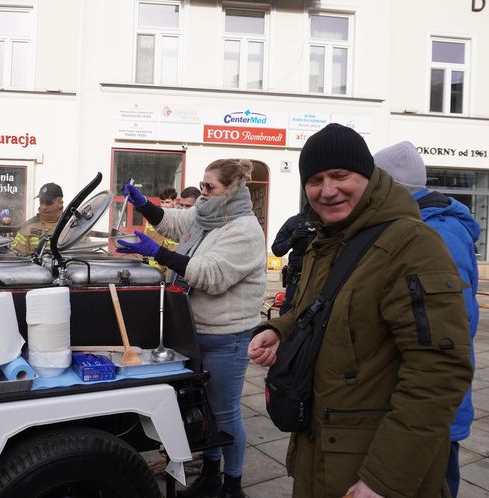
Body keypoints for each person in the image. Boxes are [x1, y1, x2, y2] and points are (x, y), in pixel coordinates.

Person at [248, 123, 473, 498]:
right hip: (322, 448)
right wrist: (281, 330)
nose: (328, 189)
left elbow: (438, 371)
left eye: (340, 175)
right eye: (315, 179)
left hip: (373, 463)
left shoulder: (412, 245)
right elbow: (317, 310)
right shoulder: (329, 239)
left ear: (367, 177)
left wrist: (385, 479)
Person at [117, 159, 266, 498]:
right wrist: (144, 204)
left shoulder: (244, 230)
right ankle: (211, 475)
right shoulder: (207, 213)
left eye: (209, 187)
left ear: (230, 191)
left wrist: (159, 254)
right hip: (194, 329)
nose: (203, 193)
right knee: (205, 412)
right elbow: (175, 221)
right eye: (202, 185)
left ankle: (233, 485)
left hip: (227, 336)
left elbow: (210, 276)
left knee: (226, 413)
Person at [374, 140, 480, 498]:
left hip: (430, 412)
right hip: (413, 401)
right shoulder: (412, 225)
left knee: (431, 484)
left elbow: (447, 337)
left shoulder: (434, 235)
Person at [270, 205, 315, 314]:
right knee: (287, 313)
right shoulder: (294, 222)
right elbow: (277, 250)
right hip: (296, 280)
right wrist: (292, 239)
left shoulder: (328, 221)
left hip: (318, 278)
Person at [10, 182, 63, 255]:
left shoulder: (71, 225)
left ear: (60, 203)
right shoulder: (28, 227)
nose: (44, 207)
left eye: (48, 203)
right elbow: (15, 256)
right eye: (41, 202)